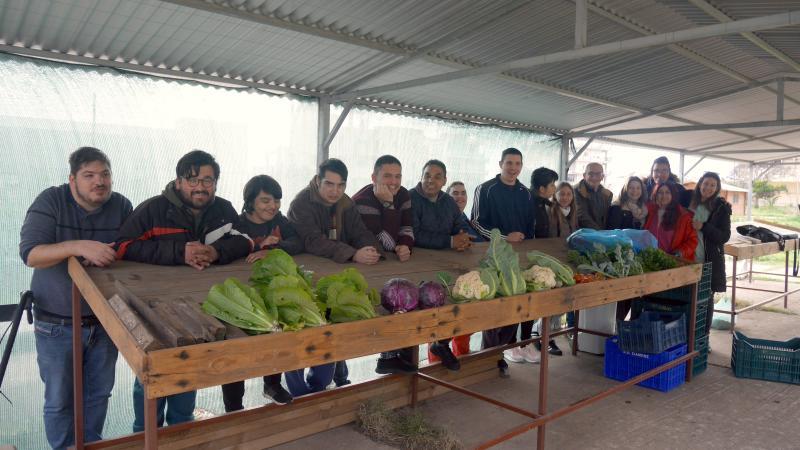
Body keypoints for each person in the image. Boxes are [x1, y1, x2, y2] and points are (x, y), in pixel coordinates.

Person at [115, 150, 252, 432]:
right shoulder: (152, 210)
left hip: (202, 310)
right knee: (151, 377)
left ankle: (180, 433)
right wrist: (180, 252)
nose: (201, 186)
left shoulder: (224, 210)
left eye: (208, 180)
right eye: (193, 180)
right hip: (154, 309)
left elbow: (246, 241)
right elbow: (123, 246)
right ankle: (145, 434)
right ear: (178, 182)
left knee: (187, 374)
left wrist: (216, 252)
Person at [20, 147, 132, 450]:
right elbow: (31, 254)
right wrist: (80, 246)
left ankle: (90, 445)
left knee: (98, 395)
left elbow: (130, 251)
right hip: (56, 324)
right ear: (72, 180)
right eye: (89, 175)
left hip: (106, 321)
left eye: (105, 174)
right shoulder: (51, 200)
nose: (100, 181)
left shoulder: (121, 205)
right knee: (60, 400)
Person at [286, 158, 382, 393]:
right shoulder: (301, 203)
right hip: (302, 279)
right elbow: (312, 241)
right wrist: (352, 254)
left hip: (335, 275)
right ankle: (298, 392)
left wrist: (370, 249)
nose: (334, 191)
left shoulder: (345, 203)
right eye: (329, 184)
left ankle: (336, 381)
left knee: (336, 327)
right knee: (301, 336)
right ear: (318, 180)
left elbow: (360, 231)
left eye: (340, 186)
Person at [220, 175, 298, 412]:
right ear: (250, 201)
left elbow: (299, 242)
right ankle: (233, 406)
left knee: (276, 334)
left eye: (276, 200)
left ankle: (272, 384)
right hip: (239, 295)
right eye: (265, 200)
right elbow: (225, 252)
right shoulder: (237, 225)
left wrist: (275, 249)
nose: (272, 206)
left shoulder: (280, 222)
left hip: (269, 292)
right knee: (236, 348)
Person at [470, 147, 534, 378]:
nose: (513, 168)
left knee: (514, 311)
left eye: (517, 163)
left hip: (516, 262)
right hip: (491, 260)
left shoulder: (525, 193)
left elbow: (529, 228)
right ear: (500, 164)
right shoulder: (485, 189)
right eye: (509, 163)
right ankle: (487, 358)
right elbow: (476, 223)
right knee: (493, 311)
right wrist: (505, 238)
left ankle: (500, 354)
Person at [352, 155, 418, 374]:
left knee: (406, 299)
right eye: (387, 176)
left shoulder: (405, 194)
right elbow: (385, 242)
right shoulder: (362, 200)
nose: (394, 182)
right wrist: (389, 205)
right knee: (381, 306)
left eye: (398, 176)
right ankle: (386, 356)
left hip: (391, 264)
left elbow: (407, 228)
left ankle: (396, 357)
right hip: (365, 263)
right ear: (374, 177)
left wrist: (406, 245)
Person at [409, 160, 471, 371]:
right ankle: (416, 365)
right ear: (421, 176)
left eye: (437, 176)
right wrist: (450, 242)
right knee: (421, 318)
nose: (430, 180)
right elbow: (414, 234)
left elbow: (459, 223)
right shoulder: (410, 198)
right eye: (427, 175)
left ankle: (441, 344)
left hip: (446, 266)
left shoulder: (448, 201)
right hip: (416, 268)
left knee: (452, 306)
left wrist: (463, 237)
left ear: (444, 180)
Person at [689, 172, 732, 336]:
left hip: (707, 261)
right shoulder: (692, 202)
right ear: (700, 184)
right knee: (691, 300)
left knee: (705, 301)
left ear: (717, 189)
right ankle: (691, 337)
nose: (708, 187)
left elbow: (724, 236)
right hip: (689, 259)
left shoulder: (721, 208)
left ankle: (703, 338)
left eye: (712, 185)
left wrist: (704, 227)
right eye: (706, 183)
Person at [527, 168, 562, 359]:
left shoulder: (545, 204)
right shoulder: (531, 204)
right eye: (552, 185)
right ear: (541, 188)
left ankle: (529, 342)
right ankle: (525, 343)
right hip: (531, 259)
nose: (554, 188)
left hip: (540, 258)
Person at [643, 181, 697, 261]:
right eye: (660, 192)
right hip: (651, 260)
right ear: (656, 195)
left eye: (667, 192)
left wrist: (679, 253)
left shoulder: (684, 216)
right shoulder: (650, 212)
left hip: (673, 262)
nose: (663, 195)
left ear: (673, 195)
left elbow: (692, 241)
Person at [574, 162, 613, 230]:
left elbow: (607, 218)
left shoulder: (607, 195)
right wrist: (600, 233)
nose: (594, 177)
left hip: (602, 235)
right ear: (584, 175)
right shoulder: (574, 191)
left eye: (598, 174)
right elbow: (582, 216)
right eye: (591, 174)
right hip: (581, 234)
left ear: (602, 177)